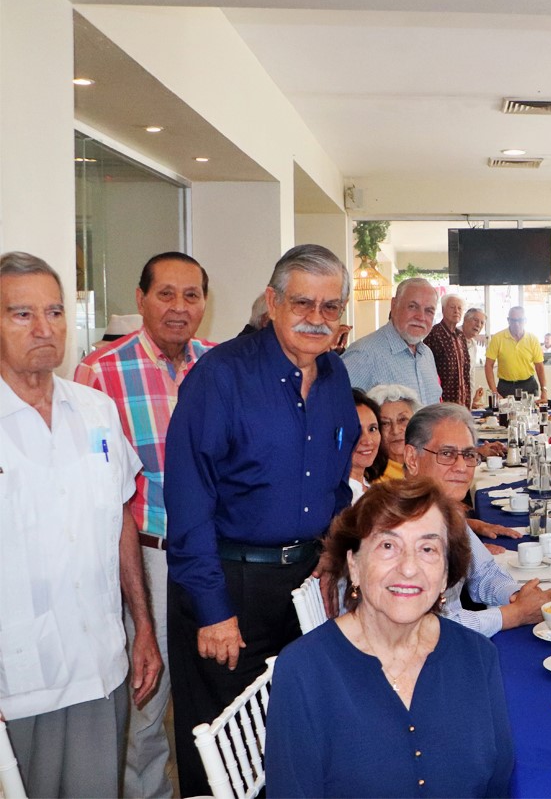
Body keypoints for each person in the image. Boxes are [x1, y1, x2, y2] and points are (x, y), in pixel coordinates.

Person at [164, 244, 361, 797]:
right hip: (229, 585)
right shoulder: (220, 376)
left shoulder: (335, 375)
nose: (316, 319)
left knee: (291, 730)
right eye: (303, 303)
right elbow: (189, 501)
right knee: (223, 747)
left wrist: (331, 554)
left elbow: (335, 479)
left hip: (301, 582)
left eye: (330, 308)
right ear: (272, 302)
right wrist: (212, 611)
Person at [1, 251, 160, 797]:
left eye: (55, 312)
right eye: (21, 314)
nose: (44, 329)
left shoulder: (96, 410)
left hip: (99, 664)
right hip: (16, 680)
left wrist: (142, 625)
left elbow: (119, 518)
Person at [265, 478, 514, 796]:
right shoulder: (303, 671)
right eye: (387, 546)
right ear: (353, 565)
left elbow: (497, 786)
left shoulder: (478, 655)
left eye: (427, 549)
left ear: (445, 575)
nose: (409, 568)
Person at [73, 251, 215, 798]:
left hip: (211, 555)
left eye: (192, 295)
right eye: (166, 294)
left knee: (210, 691)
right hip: (147, 554)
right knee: (148, 700)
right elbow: (95, 485)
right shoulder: (99, 371)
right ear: (140, 300)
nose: (179, 308)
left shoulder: (219, 364)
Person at [403, 404, 551, 633]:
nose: (462, 467)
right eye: (447, 454)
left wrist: (516, 595)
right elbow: (427, 628)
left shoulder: (443, 510)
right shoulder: (400, 528)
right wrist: (513, 614)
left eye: (469, 455)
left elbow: (485, 573)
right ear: (412, 459)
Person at [341, 276, 443, 405]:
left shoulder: (427, 354)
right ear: (394, 305)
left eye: (429, 311)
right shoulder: (363, 354)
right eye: (412, 306)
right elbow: (334, 408)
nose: (421, 317)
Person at [484, 306, 547, 403]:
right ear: (508, 320)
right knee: (504, 416)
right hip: (505, 386)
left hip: (528, 385)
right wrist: (494, 391)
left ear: (525, 320)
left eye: (520, 320)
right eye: (513, 320)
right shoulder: (497, 338)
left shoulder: (532, 339)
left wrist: (544, 390)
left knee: (532, 416)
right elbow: (488, 365)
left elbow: (539, 366)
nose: (516, 324)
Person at [424, 293, 472, 407]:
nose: (456, 311)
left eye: (459, 308)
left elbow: (466, 372)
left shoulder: (461, 336)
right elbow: (426, 370)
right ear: (443, 310)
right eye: (452, 307)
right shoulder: (433, 334)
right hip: (442, 402)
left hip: (462, 401)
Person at [368, 383, 421, 481]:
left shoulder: (430, 463)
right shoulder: (373, 480)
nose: (395, 431)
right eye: (385, 423)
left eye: (402, 420)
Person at [349, 388, 388, 501]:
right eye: (356, 431)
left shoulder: (378, 493)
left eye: (372, 429)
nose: (368, 441)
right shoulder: (332, 500)